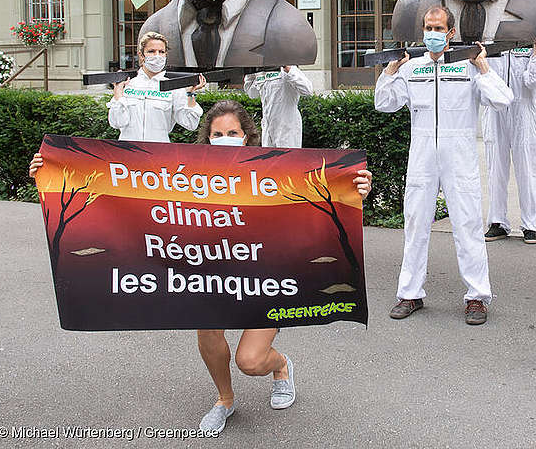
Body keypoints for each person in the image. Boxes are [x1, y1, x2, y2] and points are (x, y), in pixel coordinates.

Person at [29, 100, 373, 437]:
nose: (226, 138)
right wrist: (50, 174)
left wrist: (355, 188)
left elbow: (319, 199)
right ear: (206, 139)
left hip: (265, 278)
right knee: (208, 331)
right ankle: (225, 399)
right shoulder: (187, 176)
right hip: (208, 275)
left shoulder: (273, 172)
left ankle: (281, 366)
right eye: (217, 133)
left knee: (251, 362)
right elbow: (123, 188)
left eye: (233, 132)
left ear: (247, 135)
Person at [374, 4, 513, 325]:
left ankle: (477, 297)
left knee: (467, 227)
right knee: (415, 225)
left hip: (459, 156)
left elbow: (503, 100)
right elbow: (384, 104)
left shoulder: (467, 66)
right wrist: (390, 71)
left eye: (438, 29)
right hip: (422, 156)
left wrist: (483, 68)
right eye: (428, 28)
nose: (432, 34)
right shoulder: (413, 67)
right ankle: (410, 293)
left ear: (451, 33)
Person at [482, 40, 536, 244]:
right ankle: (497, 221)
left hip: (524, 110)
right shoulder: (489, 43)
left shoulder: (531, 43)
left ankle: (530, 225)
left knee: (527, 168)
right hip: (495, 111)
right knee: (496, 169)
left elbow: (535, 82)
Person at [107, 31, 205, 142]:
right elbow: (116, 122)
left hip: (159, 153)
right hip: (128, 152)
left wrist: (190, 94)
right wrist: (118, 93)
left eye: (161, 52)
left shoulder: (173, 86)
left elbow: (191, 124)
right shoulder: (128, 84)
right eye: (151, 51)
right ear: (141, 55)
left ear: (166, 55)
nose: (157, 56)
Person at [243, 66, 313, 148]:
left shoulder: (288, 69)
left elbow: (308, 90)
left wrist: (288, 69)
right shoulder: (260, 73)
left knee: (288, 158)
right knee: (269, 159)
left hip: (287, 128)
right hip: (267, 128)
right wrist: (250, 74)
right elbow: (252, 94)